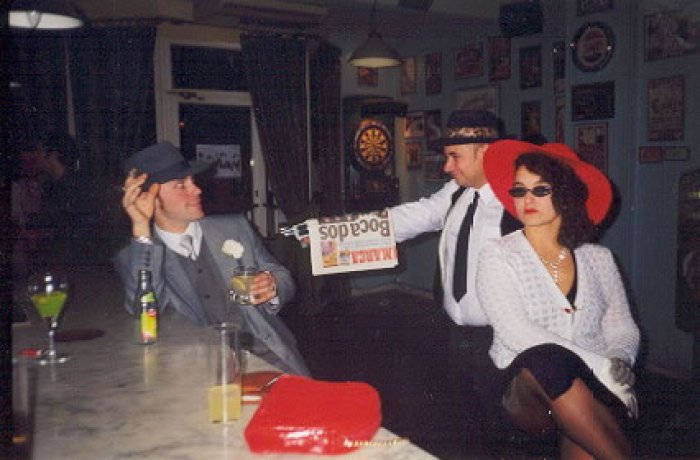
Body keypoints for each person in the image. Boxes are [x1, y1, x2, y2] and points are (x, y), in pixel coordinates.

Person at [476, 140, 640, 458]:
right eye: (519, 190)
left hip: (589, 390)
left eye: (540, 190)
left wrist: (619, 359)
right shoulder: (498, 255)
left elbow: (621, 326)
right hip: (526, 395)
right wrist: (601, 367)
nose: (527, 199)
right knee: (547, 359)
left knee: (587, 436)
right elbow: (517, 332)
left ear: (565, 194)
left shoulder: (599, 258)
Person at [115, 141, 309, 376]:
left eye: (192, 181)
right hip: (197, 371)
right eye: (181, 185)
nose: (197, 190)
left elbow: (284, 278)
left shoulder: (234, 227)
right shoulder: (139, 255)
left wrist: (273, 286)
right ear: (150, 199)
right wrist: (140, 226)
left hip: (268, 354)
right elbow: (143, 314)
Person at [388, 110, 522, 446]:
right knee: (465, 422)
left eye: (455, 156)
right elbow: (413, 216)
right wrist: (336, 233)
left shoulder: (520, 200)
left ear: (485, 152)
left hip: (502, 338)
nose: (447, 167)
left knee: (503, 429)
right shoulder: (456, 192)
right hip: (456, 332)